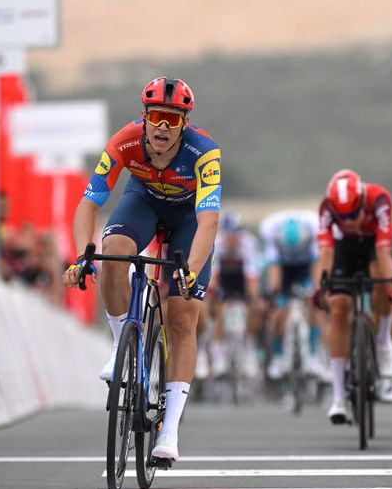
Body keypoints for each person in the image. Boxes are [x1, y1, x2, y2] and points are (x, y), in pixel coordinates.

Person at [63, 76, 220, 463]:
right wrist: (82, 254)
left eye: (172, 119)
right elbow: (88, 203)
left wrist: (190, 270)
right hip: (143, 202)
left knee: (181, 316)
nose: (162, 127)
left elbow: (208, 221)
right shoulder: (124, 141)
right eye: (156, 117)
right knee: (113, 252)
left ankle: (169, 433)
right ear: (144, 116)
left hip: (189, 219)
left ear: (184, 122)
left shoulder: (205, 153)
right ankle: (122, 350)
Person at [313, 168, 392, 424]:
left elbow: (385, 251)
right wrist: (323, 285)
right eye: (343, 217)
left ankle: (384, 341)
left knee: (383, 284)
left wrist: (391, 287)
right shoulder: (327, 208)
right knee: (339, 307)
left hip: (374, 247)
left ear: (363, 200)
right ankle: (339, 396)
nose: (349, 221)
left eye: (353, 213)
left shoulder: (380, 200)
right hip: (345, 251)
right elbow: (326, 251)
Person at [258, 209, 321, 380]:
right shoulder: (270, 230)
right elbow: (274, 270)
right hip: (282, 268)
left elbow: (317, 265)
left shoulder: (315, 227)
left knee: (315, 304)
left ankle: (314, 355)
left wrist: (316, 290)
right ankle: (278, 357)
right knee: (279, 310)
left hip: (305, 267)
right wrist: (275, 294)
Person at [209, 210, 262, 380]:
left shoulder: (249, 244)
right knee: (218, 311)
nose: (233, 239)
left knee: (252, 311)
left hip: (242, 279)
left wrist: (254, 301)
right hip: (224, 279)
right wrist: (213, 298)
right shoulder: (217, 243)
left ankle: (249, 351)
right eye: (230, 235)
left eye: (236, 235)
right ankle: (218, 359)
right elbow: (213, 276)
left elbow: (251, 277)